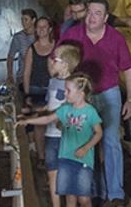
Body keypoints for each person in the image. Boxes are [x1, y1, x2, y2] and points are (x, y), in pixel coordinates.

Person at [57, 0, 131, 206]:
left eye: (97, 13)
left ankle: (115, 193)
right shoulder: (73, 34)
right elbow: (58, 58)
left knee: (110, 141)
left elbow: (128, 68)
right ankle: (90, 189)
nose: (91, 17)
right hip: (83, 95)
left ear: (106, 18)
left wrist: (130, 99)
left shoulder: (116, 38)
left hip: (109, 93)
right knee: (84, 142)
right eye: (89, 12)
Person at [18, 72, 103, 207]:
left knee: (84, 198)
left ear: (81, 93)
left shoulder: (90, 112)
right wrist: (28, 121)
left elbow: (98, 133)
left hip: (83, 161)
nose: (64, 94)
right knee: (69, 195)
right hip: (65, 157)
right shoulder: (65, 109)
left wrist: (86, 147)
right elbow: (48, 118)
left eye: (68, 91)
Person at [24, 43, 82, 207]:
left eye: (54, 59)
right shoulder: (52, 82)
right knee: (53, 176)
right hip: (51, 136)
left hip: (68, 138)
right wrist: (34, 111)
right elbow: (50, 105)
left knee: (69, 177)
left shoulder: (75, 85)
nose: (51, 62)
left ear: (64, 64)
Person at [22, 16, 56, 159]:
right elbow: (27, 72)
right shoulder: (32, 49)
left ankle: (53, 155)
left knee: (54, 123)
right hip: (36, 90)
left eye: (44, 26)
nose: (41, 29)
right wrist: (26, 94)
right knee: (39, 124)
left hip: (52, 90)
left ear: (49, 29)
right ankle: (41, 157)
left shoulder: (56, 47)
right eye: (39, 27)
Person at [6, 8, 37, 88]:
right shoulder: (18, 37)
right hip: (22, 76)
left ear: (33, 20)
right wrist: (10, 75)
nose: (23, 22)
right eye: (22, 19)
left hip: (37, 77)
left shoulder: (39, 36)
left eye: (26, 19)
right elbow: (10, 56)